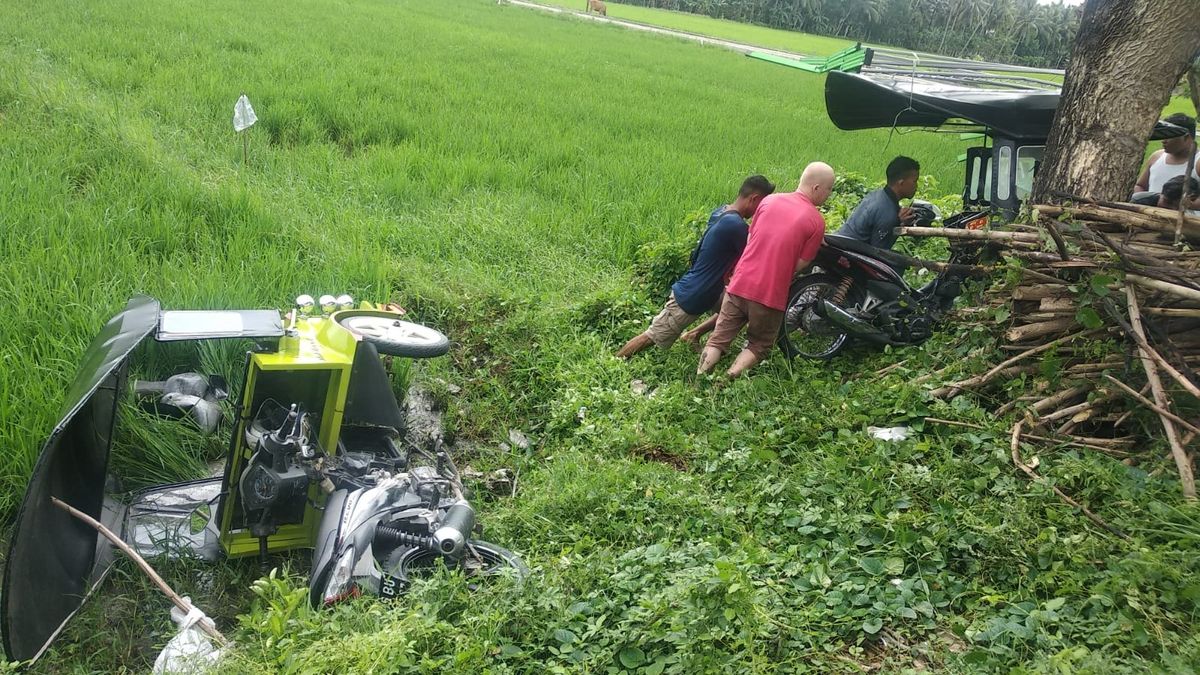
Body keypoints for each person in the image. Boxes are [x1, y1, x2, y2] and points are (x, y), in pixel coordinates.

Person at [697, 162, 834, 379]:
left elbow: (752, 238)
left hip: (739, 283)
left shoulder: (769, 200)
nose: (829, 195)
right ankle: (725, 381)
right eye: (829, 189)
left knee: (718, 339)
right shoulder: (816, 222)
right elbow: (800, 264)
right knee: (758, 344)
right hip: (769, 294)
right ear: (816, 188)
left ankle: (700, 378)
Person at [616, 175, 775, 358]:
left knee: (740, 310)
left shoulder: (722, 211)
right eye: (760, 205)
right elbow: (754, 255)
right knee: (652, 336)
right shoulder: (736, 226)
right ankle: (616, 361)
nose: (758, 212)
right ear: (754, 198)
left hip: (711, 291)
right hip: (693, 295)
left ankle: (693, 335)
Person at [833, 156, 920, 250]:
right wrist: (898, 224)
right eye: (914, 181)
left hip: (840, 244)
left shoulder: (877, 194)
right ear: (901, 183)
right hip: (850, 254)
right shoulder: (887, 213)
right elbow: (878, 253)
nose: (916, 186)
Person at [1134, 113, 1199, 195]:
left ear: (1186, 137)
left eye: (1169, 136)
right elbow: (1140, 186)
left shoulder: (1198, 162)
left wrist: (1172, 202)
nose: (1163, 140)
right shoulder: (1156, 157)